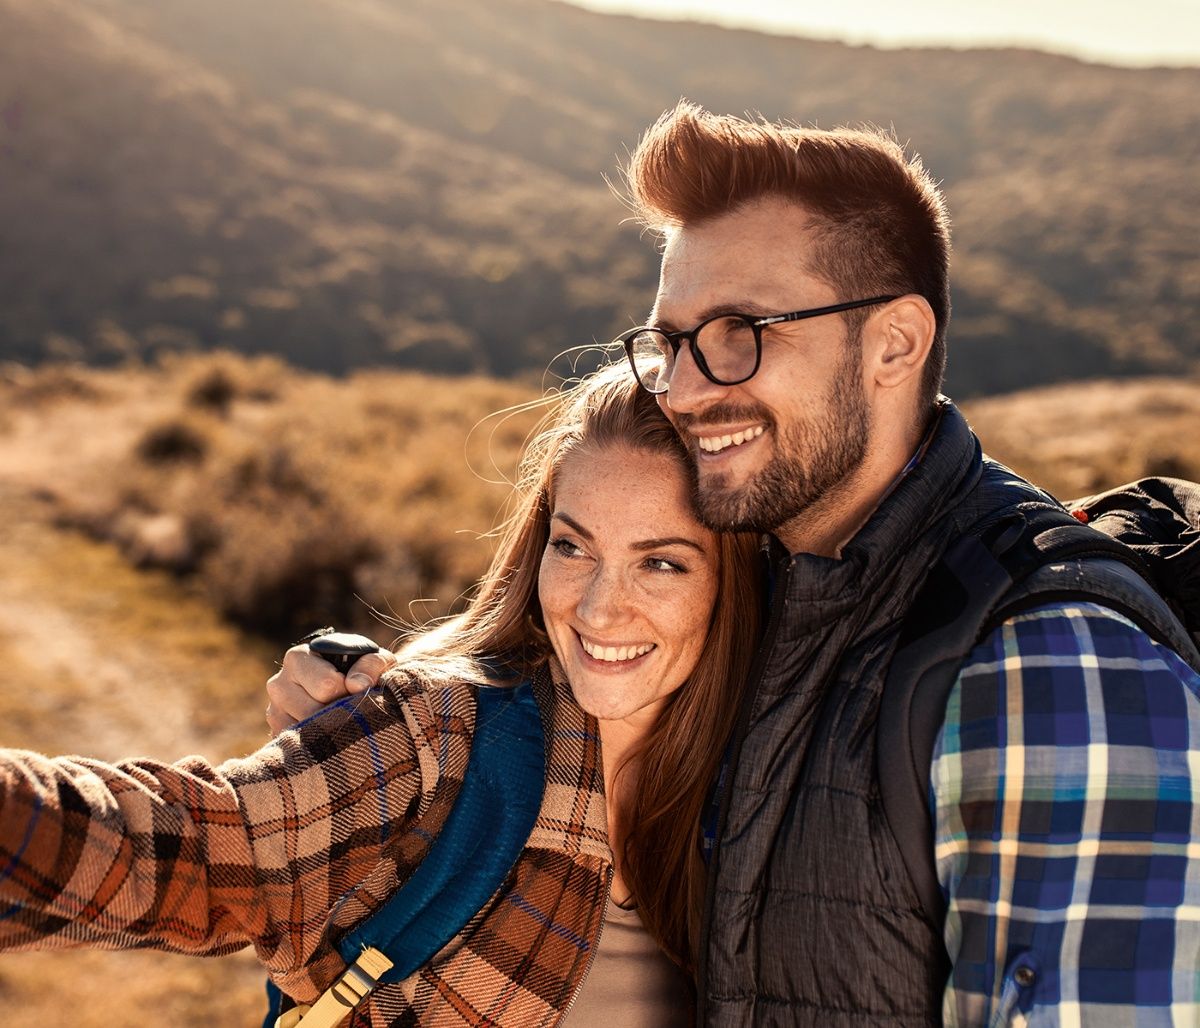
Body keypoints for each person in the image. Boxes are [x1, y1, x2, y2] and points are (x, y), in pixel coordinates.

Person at [275, 103, 1200, 1025]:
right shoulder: (768, 584)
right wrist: (369, 712)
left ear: (895, 343)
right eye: (672, 342)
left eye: (740, 333)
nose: (682, 389)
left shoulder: (1052, 664)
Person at [0, 364, 763, 1026]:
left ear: (736, 585)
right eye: (572, 546)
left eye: (662, 564)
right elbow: (190, 848)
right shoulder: (443, 734)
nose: (597, 609)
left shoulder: (766, 789)